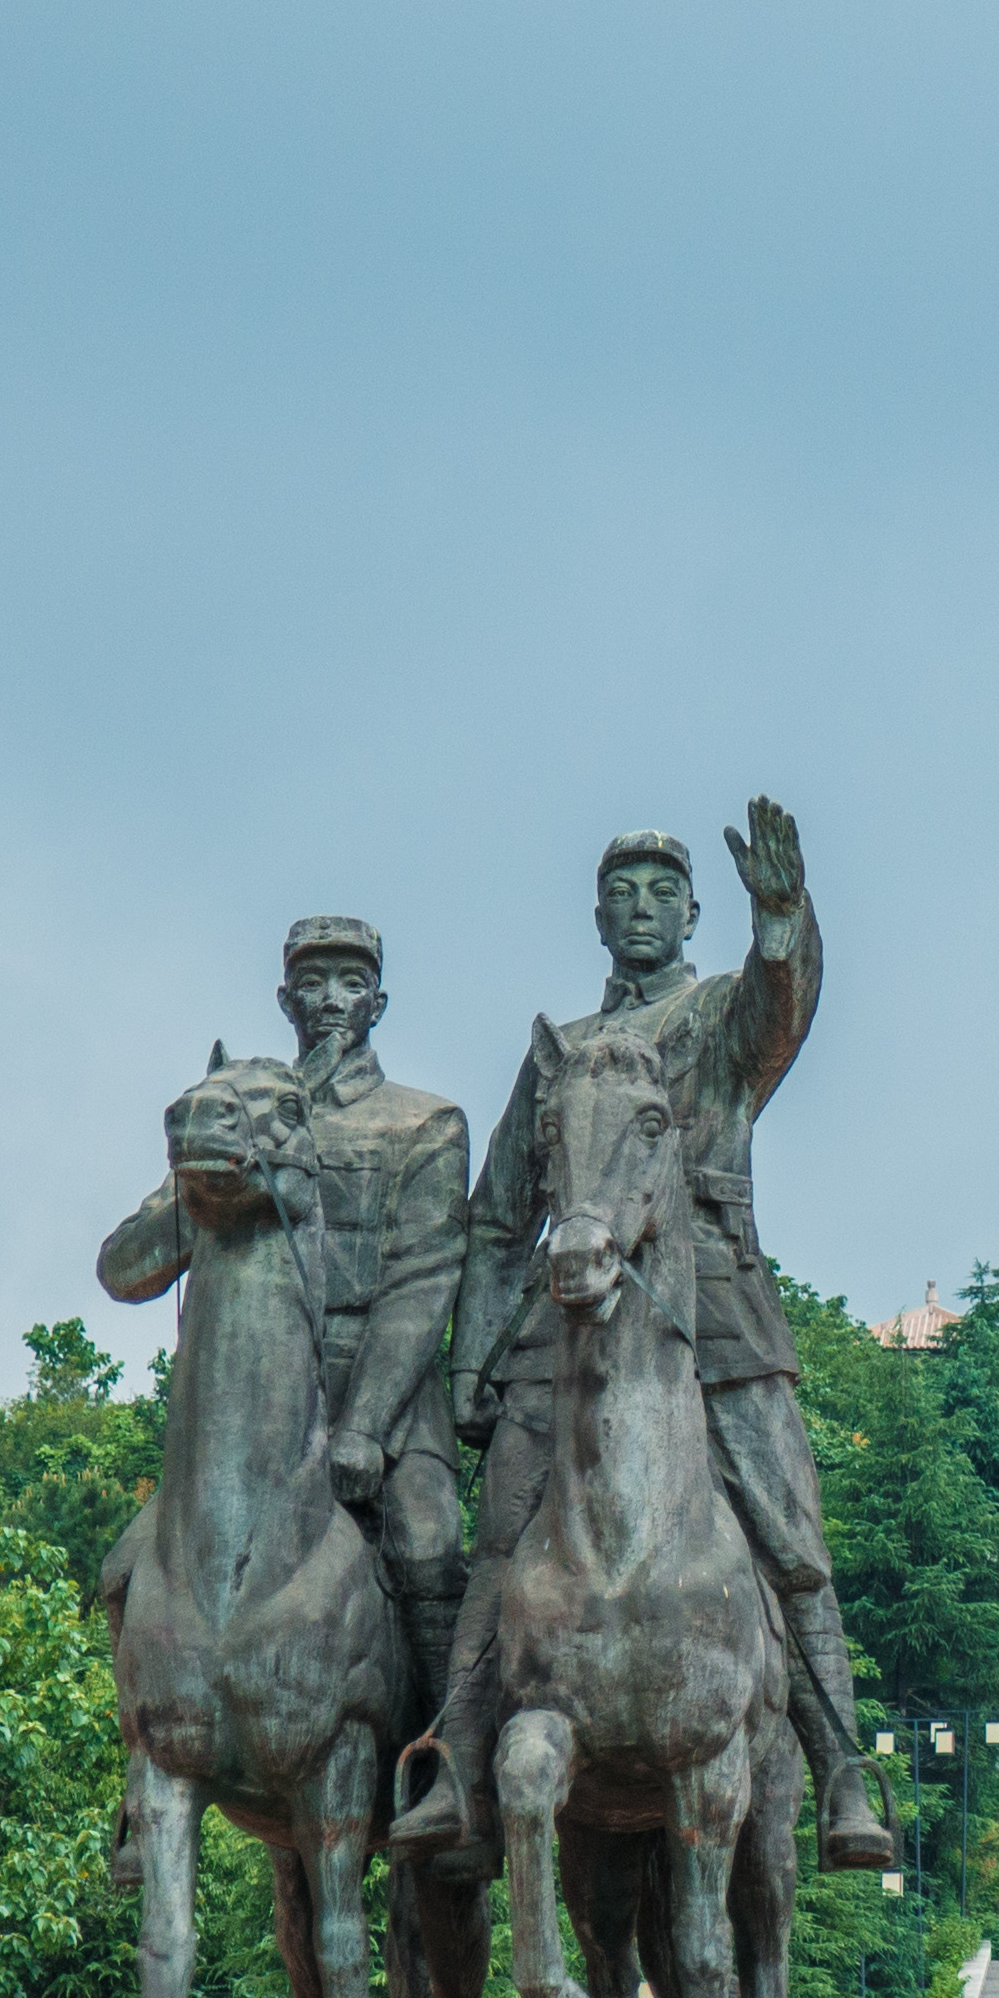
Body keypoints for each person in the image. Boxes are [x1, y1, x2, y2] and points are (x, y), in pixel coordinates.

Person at [391, 801, 896, 1870]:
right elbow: (497, 1216)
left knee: (790, 1535)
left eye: (662, 893)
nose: (640, 909)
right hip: (564, 1329)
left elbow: (779, 1010)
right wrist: (477, 1356)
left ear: (693, 913)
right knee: (499, 1535)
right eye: (619, 894)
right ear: (593, 918)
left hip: (716, 1311)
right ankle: (458, 1756)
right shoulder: (562, 1049)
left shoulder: (717, 1018)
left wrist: (781, 915)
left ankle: (844, 1768)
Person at [95, 914, 468, 1670]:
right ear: (285, 999)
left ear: (377, 1003)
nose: (331, 998)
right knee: (125, 1573)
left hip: (381, 1392)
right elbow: (124, 1271)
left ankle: (447, 1757)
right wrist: (195, 1184)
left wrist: (364, 1426)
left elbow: (423, 1282)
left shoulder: (423, 1122)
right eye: (312, 983)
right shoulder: (233, 1112)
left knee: (427, 1544)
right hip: (247, 1400)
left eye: (351, 983)